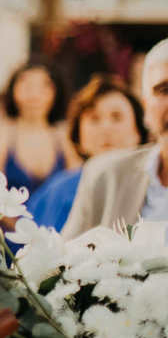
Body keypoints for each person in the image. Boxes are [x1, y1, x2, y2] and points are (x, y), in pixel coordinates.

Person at [63, 40, 168, 237]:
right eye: (164, 90)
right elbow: (61, 262)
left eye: (117, 117)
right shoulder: (105, 175)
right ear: (146, 105)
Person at [27, 75, 147, 230]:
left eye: (116, 118)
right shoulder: (56, 191)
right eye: (94, 119)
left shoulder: (155, 186)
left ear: (138, 131)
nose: (106, 128)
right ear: (79, 135)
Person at [0, 59, 75, 197]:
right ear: (13, 90)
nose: (34, 93)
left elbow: (74, 189)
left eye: (44, 85)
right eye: (27, 84)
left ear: (56, 91)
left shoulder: (65, 137)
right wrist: (18, 220)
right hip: (9, 217)